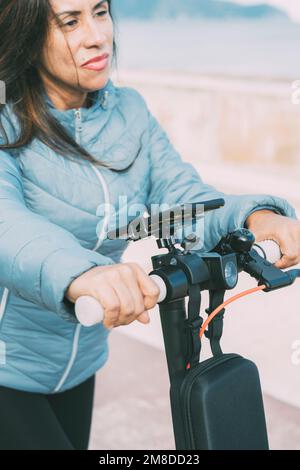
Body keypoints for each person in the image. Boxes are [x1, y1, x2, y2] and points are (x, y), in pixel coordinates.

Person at [0, 0, 299, 450]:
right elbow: (9, 226)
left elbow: (180, 194)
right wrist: (85, 273)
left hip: (80, 359)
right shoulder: (7, 117)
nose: (97, 35)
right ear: (27, 34)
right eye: (70, 21)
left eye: (100, 12)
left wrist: (256, 217)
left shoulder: (130, 112)